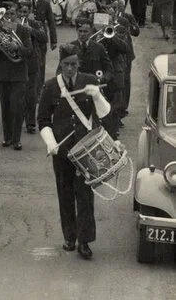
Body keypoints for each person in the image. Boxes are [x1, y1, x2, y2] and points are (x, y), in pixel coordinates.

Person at [38, 43, 114, 260]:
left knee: (85, 195)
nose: (70, 69)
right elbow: (43, 119)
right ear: (60, 64)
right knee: (65, 194)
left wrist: (98, 96)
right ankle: (69, 237)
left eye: (73, 64)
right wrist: (50, 142)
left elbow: (105, 113)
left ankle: (85, 241)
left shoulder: (89, 81)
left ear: (78, 63)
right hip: (62, 152)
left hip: (85, 150)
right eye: (66, 65)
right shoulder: (51, 86)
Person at [0, 1, 32, 150]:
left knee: (17, 107)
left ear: (17, 15)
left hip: (19, 75)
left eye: (12, 14)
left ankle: (16, 139)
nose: (9, 17)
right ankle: (7, 138)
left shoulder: (23, 30)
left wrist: (17, 47)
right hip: (1, 74)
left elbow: (29, 52)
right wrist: (0, 45)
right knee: (5, 107)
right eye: (6, 14)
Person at [15, 0, 47, 135]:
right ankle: (17, 120)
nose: (22, 14)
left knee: (32, 94)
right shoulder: (13, 25)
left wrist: (30, 30)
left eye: (25, 12)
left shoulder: (36, 23)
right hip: (18, 62)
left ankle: (31, 123)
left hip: (33, 62)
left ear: (29, 13)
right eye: (20, 11)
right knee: (18, 93)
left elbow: (44, 38)